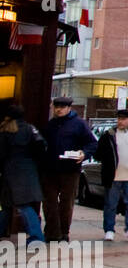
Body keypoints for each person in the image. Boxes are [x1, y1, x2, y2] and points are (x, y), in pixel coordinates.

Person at [40, 96, 97, 242]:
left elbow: (91, 143)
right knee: (49, 202)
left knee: (66, 202)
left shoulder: (79, 124)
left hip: (70, 169)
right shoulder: (50, 125)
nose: (58, 110)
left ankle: (64, 232)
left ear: (69, 108)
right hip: (50, 169)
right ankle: (52, 232)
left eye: (62, 107)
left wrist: (84, 153)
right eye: (56, 107)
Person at [94, 108, 128, 242]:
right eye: (119, 119)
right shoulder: (109, 135)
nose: (120, 121)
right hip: (113, 176)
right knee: (110, 204)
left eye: (123, 119)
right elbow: (98, 153)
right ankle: (109, 230)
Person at [0, 105, 46, 243]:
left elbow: (1, 154)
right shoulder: (31, 129)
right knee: (12, 205)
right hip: (29, 170)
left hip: (11, 171)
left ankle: (36, 237)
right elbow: (42, 146)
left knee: (17, 206)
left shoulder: (5, 131)